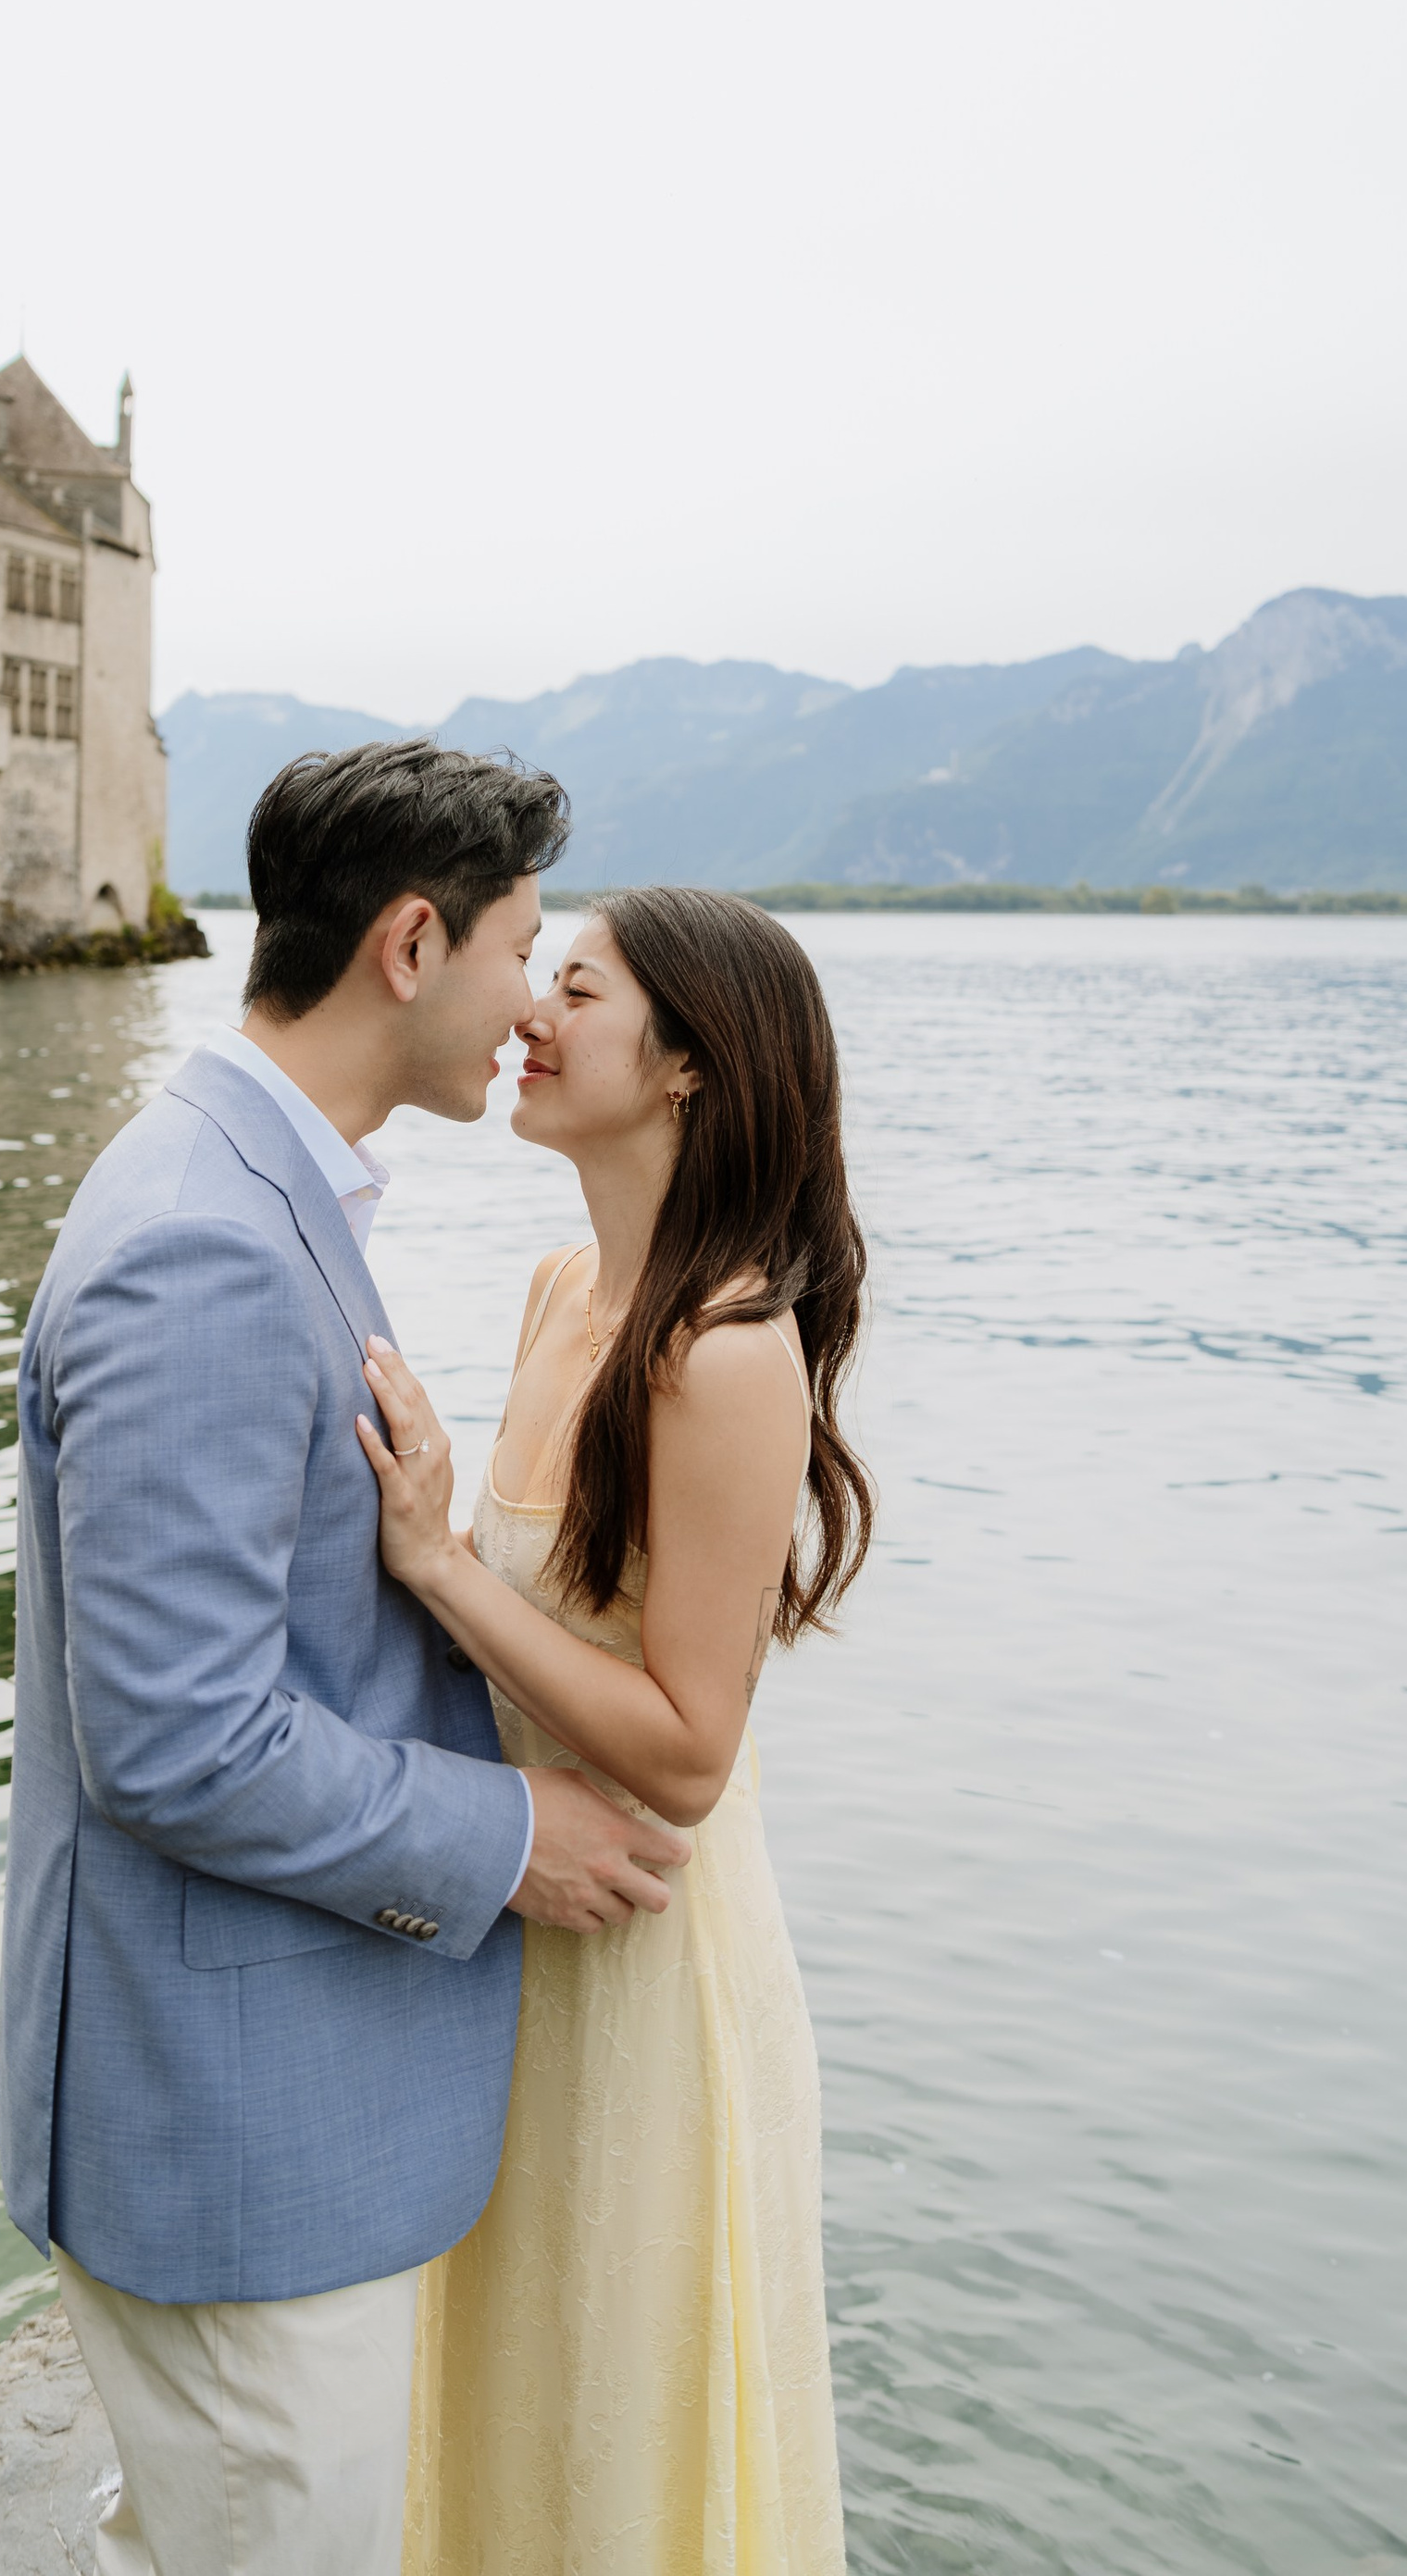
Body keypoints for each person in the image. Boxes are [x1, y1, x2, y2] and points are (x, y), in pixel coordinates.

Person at [0, 742, 691, 2576]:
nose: (527, 1009)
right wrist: (501, 1837)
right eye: (515, 949)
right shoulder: (207, 1244)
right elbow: (175, 1739)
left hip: (250, 2121)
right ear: (407, 943)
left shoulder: (244, 1182)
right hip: (233, 2144)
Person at [357, 887, 874, 2575]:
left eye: (577, 992)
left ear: (687, 1073)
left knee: (617, 2427)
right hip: (513, 1926)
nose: (531, 1016)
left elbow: (687, 1746)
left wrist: (435, 1557)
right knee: (503, 2415)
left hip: (644, 1957)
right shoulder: (555, 1285)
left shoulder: (727, 1352)